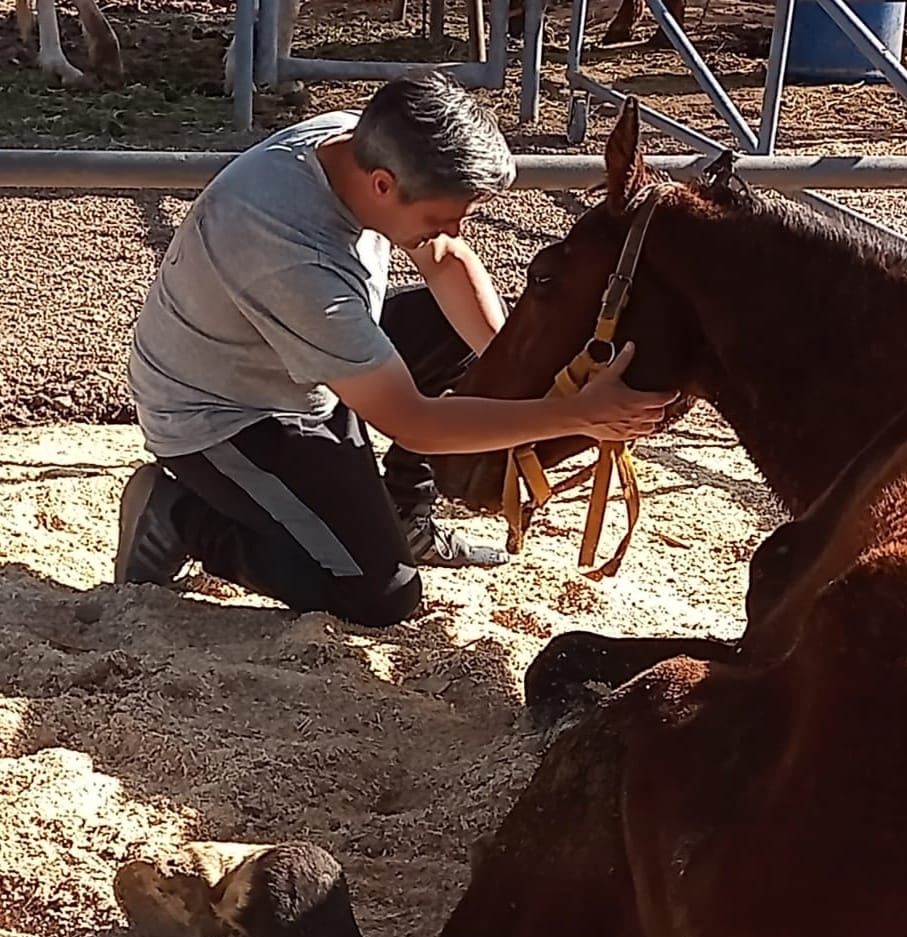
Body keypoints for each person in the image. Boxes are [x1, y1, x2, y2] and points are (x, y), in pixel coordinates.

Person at [116, 69, 672, 627]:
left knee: (455, 328)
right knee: (379, 597)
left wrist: (512, 376)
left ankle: (404, 512)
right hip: (228, 416)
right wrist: (576, 415)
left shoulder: (355, 143)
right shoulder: (290, 254)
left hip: (295, 362)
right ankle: (176, 515)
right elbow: (415, 422)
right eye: (439, 216)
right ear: (383, 184)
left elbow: (447, 259)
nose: (452, 228)